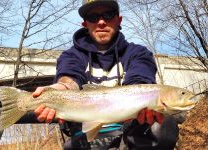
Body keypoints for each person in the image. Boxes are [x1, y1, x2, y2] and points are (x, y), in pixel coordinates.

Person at [33, 0, 179, 149]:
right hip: (84, 139)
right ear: (85, 24)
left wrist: (148, 104)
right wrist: (60, 88)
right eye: (93, 17)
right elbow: (69, 78)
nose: (101, 22)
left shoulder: (138, 53)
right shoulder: (71, 56)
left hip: (129, 137)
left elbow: (139, 80)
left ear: (119, 19)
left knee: (163, 124)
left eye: (108, 15)